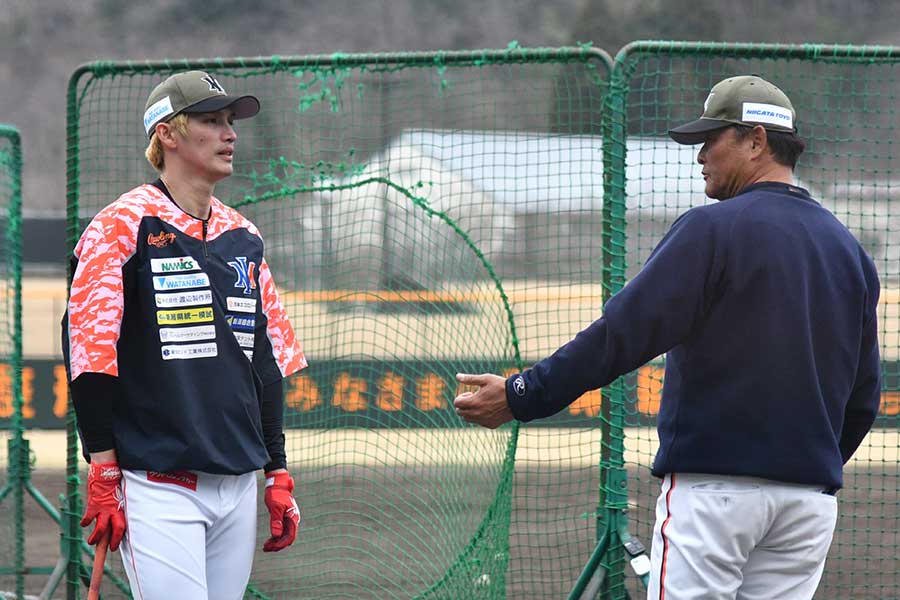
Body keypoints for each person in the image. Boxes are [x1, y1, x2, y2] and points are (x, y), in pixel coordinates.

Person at [454, 75, 881, 599]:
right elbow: (863, 398)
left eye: (712, 138)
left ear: (756, 141)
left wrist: (525, 394)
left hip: (716, 495)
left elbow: (621, 335)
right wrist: (807, 466)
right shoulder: (849, 251)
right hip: (807, 506)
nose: (700, 154)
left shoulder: (713, 229)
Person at [63, 70, 308, 600]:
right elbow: (89, 354)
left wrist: (277, 473)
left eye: (230, 122)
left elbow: (263, 365)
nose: (230, 134)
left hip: (239, 483)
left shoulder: (244, 235)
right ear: (168, 135)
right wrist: (103, 467)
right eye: (211, 121)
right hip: (160, 484)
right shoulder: (119, 226)